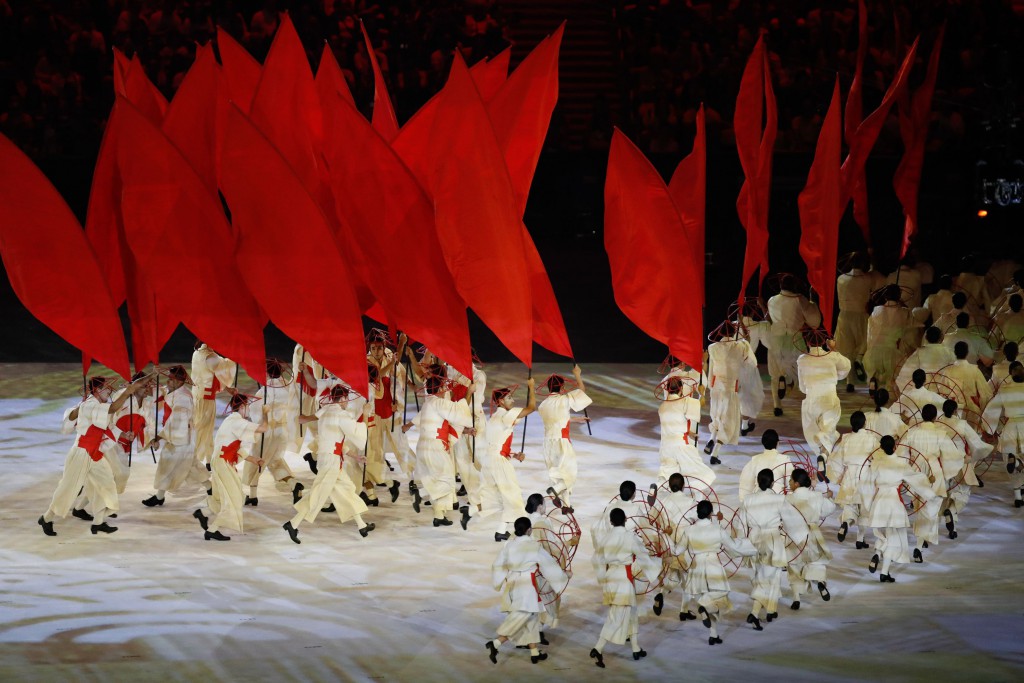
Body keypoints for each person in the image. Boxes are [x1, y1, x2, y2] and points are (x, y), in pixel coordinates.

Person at [38, 375, 145, 537]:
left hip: (94, 453)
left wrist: (124, 435)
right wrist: (127, 392)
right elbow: (113, 409)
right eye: (106, 388)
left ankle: (98, 522)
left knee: (107, 482)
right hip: (81, 453)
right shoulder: (89, 405)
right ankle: (47, 518)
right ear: (97, 389)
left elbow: (107, 427)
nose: (109, 390)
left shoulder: (95, 405)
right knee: (69, 488)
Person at [283, 384, 374, 543]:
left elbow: (337, 442)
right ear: (344, 398)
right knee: (318, 493)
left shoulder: (325, 411)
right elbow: (358, 433)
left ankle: (361, 525)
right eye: (347, 400)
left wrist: (355, 457)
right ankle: (293, 523)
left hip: (328, 458)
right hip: (331, 460)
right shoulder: (341, 415)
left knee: (346, 490)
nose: (347, 403)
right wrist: (365, 415)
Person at [669, 499, 756, 645]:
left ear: (697, 513)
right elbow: (734, 546)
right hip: (713, 566)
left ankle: (713, 633)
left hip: (696, 567)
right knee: (718, 596)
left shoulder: (689, 530)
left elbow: (677, 550)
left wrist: (667, 536)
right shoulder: (717, 529)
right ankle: (704, 608)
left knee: (704, 597)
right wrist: (752, 547)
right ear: (711, 514)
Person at [486, 516, 568, 666]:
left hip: (513, 582)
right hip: (527, 585)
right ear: (529, 530)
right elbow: (548, 564)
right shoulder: (533, 546)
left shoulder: (509, 545)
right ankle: (496, 643)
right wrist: (561, 579)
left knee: (531, 618)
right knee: (523, 614)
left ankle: (534, 652)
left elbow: (497, 565)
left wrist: (499, 580)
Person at [589, 507, 660, 667]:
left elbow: (596, 560)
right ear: (626, 519)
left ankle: (635, 647)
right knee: (617, 616)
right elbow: (643, 555)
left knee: (632, 612)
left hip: (611, 578)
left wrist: (603, 578)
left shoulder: (605, 538)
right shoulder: (630, 537)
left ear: (611, 521)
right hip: (623, 580)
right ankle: (597, 648)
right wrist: (658, 563)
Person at [403, 370, 474, 527]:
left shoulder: (429, 403)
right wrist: (469, 392)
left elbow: (450, 418)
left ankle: (438, 515)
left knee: (437, 479)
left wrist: (466, 430)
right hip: (435, 446)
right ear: (440, 389)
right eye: (444, 387)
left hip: (425, 445)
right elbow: (458, 412)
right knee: (448, 481)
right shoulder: (439, 403)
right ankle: (420, 494)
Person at [739, 468, 808, 628]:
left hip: (754, 540)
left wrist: (741, 543)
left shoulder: (748, 499)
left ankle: (771, 609)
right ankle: (755, 612)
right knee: (769, 577)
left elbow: (741, 524)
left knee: (764, 575)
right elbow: (792, 520)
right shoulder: (779, 500)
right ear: (772, 482)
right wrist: (800, 536)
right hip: (771, 540)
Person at [193, 393, 268, 541]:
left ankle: (204, 512)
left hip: (221, 461)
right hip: (223, 463)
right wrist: (266, 413)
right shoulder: (236, 421)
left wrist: (252, 459)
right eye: (247, 406)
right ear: (241, 407)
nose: (248, 409)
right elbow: (263, 428)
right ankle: (212, 529)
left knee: (221, 497)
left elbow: (233, 446)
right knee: (235, 498)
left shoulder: (232, 420)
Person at [862, 435, 935, 582]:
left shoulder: (876, 463)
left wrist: (868, 505)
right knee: (894, 537)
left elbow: (867, 484)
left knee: (881, 533)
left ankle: (878, 551)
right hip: (893, 503)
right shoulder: (901, 464)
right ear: (895, 446)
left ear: (881, 447)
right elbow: (915, 479)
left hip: (879, 502)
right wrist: (929, 482)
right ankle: (884, 572)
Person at [899, 404, 960, 562]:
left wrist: (905, 472)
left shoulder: (912, 432)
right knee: (930, 508)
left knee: (920, 506)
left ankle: (921, 541)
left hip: (917, 469)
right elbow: (951, 455)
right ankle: (919, 544)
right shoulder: (940, 433)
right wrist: (952, 469)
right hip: (933, 470)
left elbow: (901, 453)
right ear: (934, 417)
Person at [143, 366, 209, 507]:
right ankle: (211, 489)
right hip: (179, 436)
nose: (168, 382)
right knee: (191, 466)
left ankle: (159, 497)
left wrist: (159, 437)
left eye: (171, 379)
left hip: (181, 438)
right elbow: (160, 391)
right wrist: (150, 381)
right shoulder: (173, 390)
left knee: (167, 465)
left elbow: (176, 422)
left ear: (179, 382)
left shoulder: (184, 397)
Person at [479, 379, 536, 540]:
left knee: (506, 497)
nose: (513, 400)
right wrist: (531, 387)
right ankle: (522, 531)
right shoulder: (505, 415)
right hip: (498, 463)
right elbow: (531, 408)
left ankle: (501, 531)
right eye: (509, 398)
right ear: (500, 401)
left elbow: (497, 445)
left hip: (491, 461)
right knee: (514, 497)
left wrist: (514, 455)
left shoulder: (495, 418)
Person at [242, 359, 302, 506]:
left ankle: (253, 495)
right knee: (275, 460)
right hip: (282, 431)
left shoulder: (263, 391)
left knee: (256, 460)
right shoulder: (287, 390)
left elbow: (255, 415)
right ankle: (293, 484)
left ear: (267, 373)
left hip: (267, 432)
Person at [766, 277, 822, 415]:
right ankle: (788, 381)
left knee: (775, 373)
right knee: (799, 370)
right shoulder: (800, 299)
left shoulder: (772, 300)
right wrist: (813, 300)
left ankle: (777, 406)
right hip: (794, 339)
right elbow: (814, 321)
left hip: (775, 339)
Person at [537, 365, 592, 507]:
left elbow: (557, 419)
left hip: (548, 443)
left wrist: (576, 419)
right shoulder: (564, 399)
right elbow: (581, 391)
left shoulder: (542, 405)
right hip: (562, 441)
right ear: (562, 387)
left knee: (558, 474)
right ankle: (554, 490)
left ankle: (567, 505)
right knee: (570, 473)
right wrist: (577, 374)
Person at [705, 321, 758, 462]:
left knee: (716, 415)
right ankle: (715, 453)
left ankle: (711, 438)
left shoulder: (713, 347)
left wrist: (710, 387)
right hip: (729, 388)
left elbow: (711, 369)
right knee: (728, 421)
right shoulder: (741, 346)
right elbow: (753, 363)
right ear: (734, 332)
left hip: (716, 387)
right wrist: (747, 343)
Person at [936, 399, 991, 534]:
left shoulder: (937, 424)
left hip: (941, 464)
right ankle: (953, 511)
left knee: (944, 495)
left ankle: (950, 528)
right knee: (962, 492)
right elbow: (976, 443)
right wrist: (975, 456)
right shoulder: (961, 424)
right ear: (955, 411)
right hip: (960, 463)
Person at [651, 473, 700, 621]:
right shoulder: (690, 502)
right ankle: (683, 610)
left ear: (669, 486)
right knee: (687, 579)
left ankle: (661, 594)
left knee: (673, 575)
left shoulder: (662, 502)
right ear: (683, 486)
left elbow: (652, 519)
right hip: (684, 544)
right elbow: (698, 519)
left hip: (667, 543)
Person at [786, 469, 837, 610]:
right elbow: (829, 509)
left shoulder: (788, 499)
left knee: (794, 566)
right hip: (812, 534)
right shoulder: (816, 496)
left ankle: (796, 597)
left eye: (790, 480)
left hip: (793, 536)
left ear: (796, 484)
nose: (789, 482)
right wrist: (829, 497)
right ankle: (819, 581)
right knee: (816, 561)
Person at [796, 333, 851, 460]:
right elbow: (846, 366)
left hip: (811, 399)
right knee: (828, 430)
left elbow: (802, 387)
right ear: (824, 342)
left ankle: (822, 456)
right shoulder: (832, 356)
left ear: (808, 342)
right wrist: (833, 349)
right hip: (829, 398)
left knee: (813, 432)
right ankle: (824, 454)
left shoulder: (802, 359)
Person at [830, 412, 876, 549]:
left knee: (850, 505)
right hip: (865, 474)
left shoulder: (846, 438)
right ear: (865, 423)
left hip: (849, 473)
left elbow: (836, 458)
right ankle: (860, 539)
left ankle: (845, 523)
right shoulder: (871, 438)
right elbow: (877, 457)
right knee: (864, 508)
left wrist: (837, 477)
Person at [658, 376, 714, 486]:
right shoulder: (685, 401)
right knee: (697, 472)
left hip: (665, 446)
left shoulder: (662, 407)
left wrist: (690, 433)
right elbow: (701, 403)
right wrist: (701, 392)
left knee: (667, 472)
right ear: (681, 388)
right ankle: (697, 496)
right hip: (681, 445)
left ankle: (658, 486)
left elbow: (674, 425)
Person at [981, 361, 1024, 507]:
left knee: (1010, 456)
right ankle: (1019, 465)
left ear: (1010, 374)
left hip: (1011, 426)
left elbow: (992, 409)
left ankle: (1018, 495)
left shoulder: (1005, 389)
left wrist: (989, 428)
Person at [191, 342, 238, 465]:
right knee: (202, 430)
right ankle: (193, 461)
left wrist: (228, 389)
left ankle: (209, 460)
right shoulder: (211, 357)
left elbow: (214, 374)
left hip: (197, 396)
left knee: (206, 429)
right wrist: (235, 356)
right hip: (205, 400)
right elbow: (224, 367)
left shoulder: (197, 353)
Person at [834, 252, 874, 391]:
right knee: (864, 343)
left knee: (846, 348)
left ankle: (849, 382)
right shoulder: (868, 279)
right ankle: (859, 359)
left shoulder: (841, 279)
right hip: (860, 314)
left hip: (844, 315)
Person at [864, 285, 911, 395]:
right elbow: (912, 324)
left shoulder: (876, 310)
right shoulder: (904, 312)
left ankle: (873, 379)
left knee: (875, 370)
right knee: (892, 377)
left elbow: (870, 332)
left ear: (885, 296)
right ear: (899, 296)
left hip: (873, 352)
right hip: (891, 352)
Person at [940, 341, 993, 428]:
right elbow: (985, 394)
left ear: (954, 353)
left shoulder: (947, 371)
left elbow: (942, 393)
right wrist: (982, 409)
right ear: (967, 353)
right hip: (972, 409)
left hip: (952, 410)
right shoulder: (974, 370)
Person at [738, 430, 792, 500]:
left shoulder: (755, 460)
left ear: (763, 443)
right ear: (777, 443)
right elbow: (791, 483)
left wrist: (745, 502)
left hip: (757, 500)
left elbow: (745, 485)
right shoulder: (785, 460)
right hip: (778, 500)